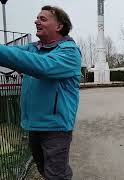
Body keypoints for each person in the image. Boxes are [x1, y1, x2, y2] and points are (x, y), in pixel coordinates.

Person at [0, 5, 81, 179]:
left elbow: (41, 66)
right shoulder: (33, 48)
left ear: (59, 26)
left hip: (56, 129)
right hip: (33, 125)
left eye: (43, 19)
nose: (36, 21)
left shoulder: (69, 52)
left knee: (56, 176)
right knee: (45, 171)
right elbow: (12, 54)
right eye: (37, 18)